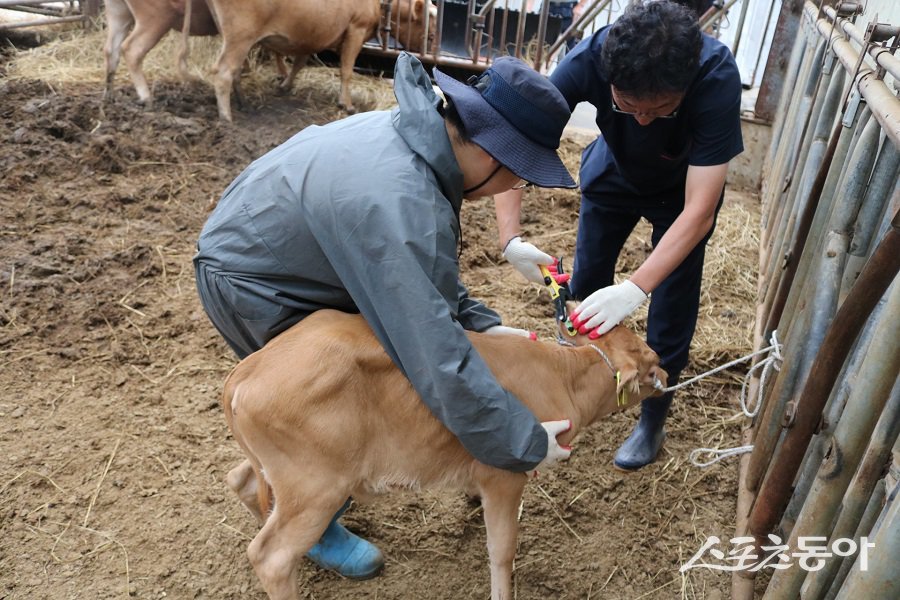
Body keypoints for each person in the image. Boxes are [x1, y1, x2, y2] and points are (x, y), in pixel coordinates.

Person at [194, 52, 577, 580]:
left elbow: (424, 278)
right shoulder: (401, 200)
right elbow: (431, 352)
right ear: (494, 154)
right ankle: (312, 523)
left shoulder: (421, 139)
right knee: (324, 402)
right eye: (520, 176)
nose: (514, 189)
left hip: (300, 257)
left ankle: (260, 474)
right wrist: (522, 440)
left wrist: (483, 323)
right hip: (258, 280)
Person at [496, 1, 743, 470]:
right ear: (609, 80)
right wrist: (509, 237)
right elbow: (520, 142)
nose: (643, 118)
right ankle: (580, 385)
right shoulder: (588, 59)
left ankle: (652, 417)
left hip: (680, 193)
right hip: (611, 173)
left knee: (671, 303)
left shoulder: (715, 77)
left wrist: (636, 287)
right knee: (586, 286)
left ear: (684, 88)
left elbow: (700, 208)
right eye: (628, 105)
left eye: (661, 108)